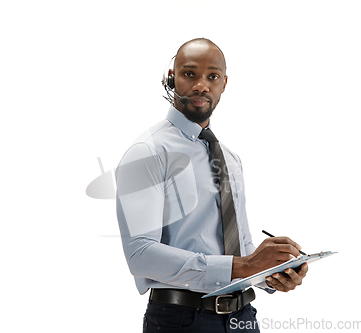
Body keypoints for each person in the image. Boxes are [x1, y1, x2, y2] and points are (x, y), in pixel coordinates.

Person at [115, 38, 308, 333]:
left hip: (243, 318)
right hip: (181, 320)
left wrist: (272, 272)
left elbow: (240, 249)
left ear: (224, 83)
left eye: (212, 77)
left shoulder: (230, 158)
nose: (201, 86)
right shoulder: (148, 152)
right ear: (171, 78)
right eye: (189, 74)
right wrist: (244, 266)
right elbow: (140, 254)